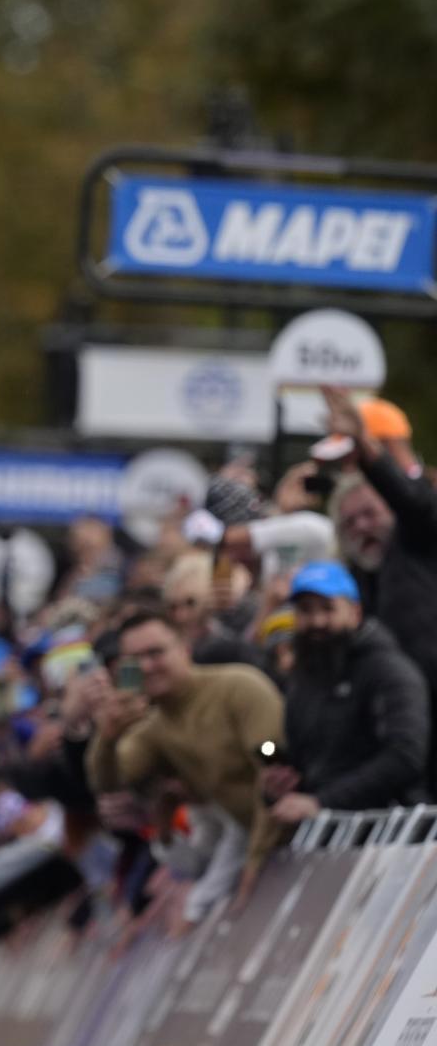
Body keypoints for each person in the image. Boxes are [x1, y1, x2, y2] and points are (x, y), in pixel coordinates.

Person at [85, 608, 282, 926]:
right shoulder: (154, 728)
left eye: (156, 653)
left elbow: (275, 771)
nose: (148, 666)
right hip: (251, 848)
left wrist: (254, 864)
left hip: (302, 838)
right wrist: (106, 737)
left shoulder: (238, 688)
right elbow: (108, 782)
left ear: (184, 649)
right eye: (136, 660)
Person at [259, 561, 429, 825]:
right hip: (328, 837)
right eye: (305, 610)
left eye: (328, 608)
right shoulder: (303, 680)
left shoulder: (387, 670)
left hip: (391, 831)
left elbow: (406, 756)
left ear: (355, 612)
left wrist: (323, 802)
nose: (317, 621)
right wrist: (281, 787)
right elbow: (310, 763)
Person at [321, 389, 437, 745]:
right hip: (395, 723)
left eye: (370, 513)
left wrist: (368, 449)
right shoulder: (354, 574)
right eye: (349, 522)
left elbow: (412, 502)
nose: (361, 527)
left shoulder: (418, 536)